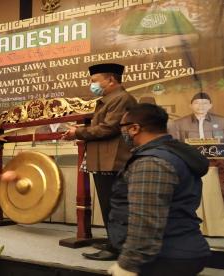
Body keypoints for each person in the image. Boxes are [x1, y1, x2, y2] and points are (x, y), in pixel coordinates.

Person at [107, 103, 210, 276]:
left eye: (122, 127)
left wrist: (128, 265)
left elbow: (145, 219)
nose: (121, 132)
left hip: (165, 258)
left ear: (134, 128)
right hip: (178, 251)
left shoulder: (151, 162)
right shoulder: (173, 153)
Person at [62, 63, 137, 259]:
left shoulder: (121, 98)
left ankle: (118, 248)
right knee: (109, 205)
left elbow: (108, 128)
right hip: (104, 160)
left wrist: (77, 132)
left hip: (113, 160)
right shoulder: (108, 100)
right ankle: (115, 241)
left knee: (115, 206)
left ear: (111, 80)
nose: (91, 84)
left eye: (94, 80)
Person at [169, 92, 224, 200]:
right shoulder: (178, 124)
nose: (201, 106)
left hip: (216, 165)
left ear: (210, 105)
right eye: (197, 103)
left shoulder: (221, 121)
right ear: (191, 105)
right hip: (190, 165)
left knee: (216, 195)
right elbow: (175, 146)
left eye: (205, 103)